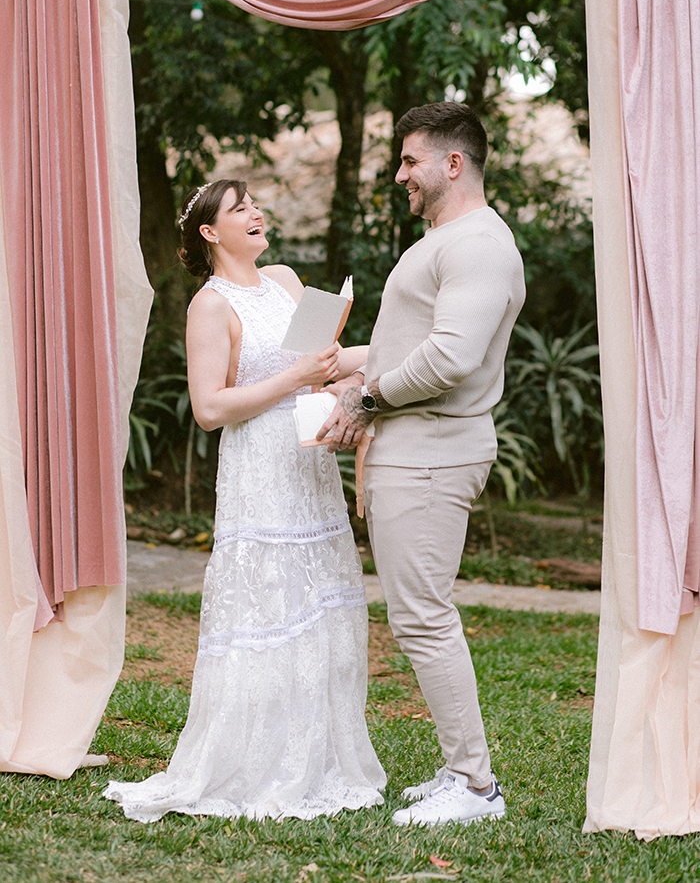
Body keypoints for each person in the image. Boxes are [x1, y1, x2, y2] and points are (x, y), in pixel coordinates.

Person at [104, 178, 385, 822]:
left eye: (255, 204)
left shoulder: (286, 279)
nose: (257, 212)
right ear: (210, 233)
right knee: (266, 607)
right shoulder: (209, 304)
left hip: (308, 462)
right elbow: (209, 409)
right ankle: (254, 765)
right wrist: (296, 375)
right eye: (240, 208)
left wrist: (383, 361)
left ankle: (320, 759)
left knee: (318, 605)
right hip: (258, 469)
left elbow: (328, 361)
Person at [319, 102, 525, 826]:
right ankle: (458, 768)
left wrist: (364, 397)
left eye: (410, 160)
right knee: (417, 616)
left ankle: (474, 787)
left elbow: (449, 358)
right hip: (417, 445)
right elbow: (414, 344)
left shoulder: (479, 245)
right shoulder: (447, 240)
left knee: (422, 619)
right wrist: (332, 364)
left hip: (436, 449)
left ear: (453, 163)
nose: (400, 173)